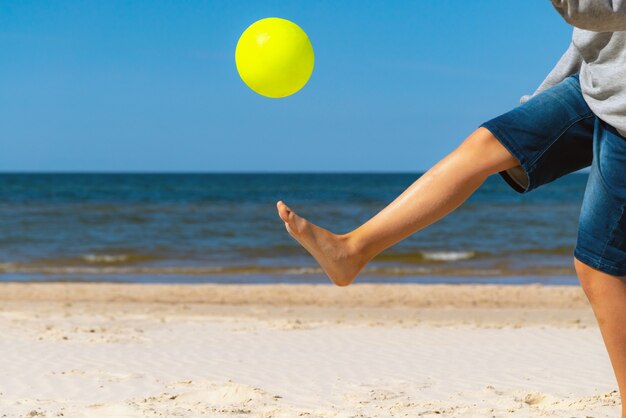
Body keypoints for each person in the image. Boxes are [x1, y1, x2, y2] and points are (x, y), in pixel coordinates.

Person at [276, 0, 626, 415]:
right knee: (483, 145)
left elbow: (600, 10)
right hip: (597, 85)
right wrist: (549, 92)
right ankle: (351, 251)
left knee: (598, 269)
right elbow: (599, 35)